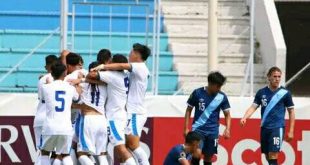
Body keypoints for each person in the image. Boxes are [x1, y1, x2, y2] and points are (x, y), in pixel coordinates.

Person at [91, 43, 151, 165]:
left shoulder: (140, 67)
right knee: (128, 146)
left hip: (136, 112)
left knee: (133, 145)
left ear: (138, 55)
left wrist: (103, 66)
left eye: (132, 52)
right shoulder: (132, 72)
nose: (129, 54)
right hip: (129, 112)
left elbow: (121, 65)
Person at [240, 66, 295, 165]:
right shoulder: (262, 93)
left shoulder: (285, 93)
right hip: (265, 128)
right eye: (275, 76)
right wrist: (245, 117)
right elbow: (253, 107)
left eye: (279, 77)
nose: (277, 79)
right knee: (267, 155)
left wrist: (291, 131)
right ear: (269, 77)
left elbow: (291, 111)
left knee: (273, 154)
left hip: (277, 128)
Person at [88, 54, 136, 165]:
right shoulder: (125, 75)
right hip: (122, 115)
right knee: (117, 151)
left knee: (120, 149)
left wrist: (103, 67)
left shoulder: (112, 76)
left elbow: (92, 74)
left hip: (114, 118)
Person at [184, 71, 231, 165]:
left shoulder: (222, 96)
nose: (219, 89)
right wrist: (186, 128)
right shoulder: (197, 93)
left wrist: (228, 128)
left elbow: (227, 115)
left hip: (213, 131)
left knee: (209, 157)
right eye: (218, 86)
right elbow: (189, 110)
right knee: (197, 153)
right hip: (198, 129)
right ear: (211, 84)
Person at [39, 61, 81, 165]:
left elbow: (44, 99)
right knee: (65, 154)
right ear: (65, 73)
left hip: (49, 126)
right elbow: (77, 98)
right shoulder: (70, 88)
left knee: (44, 153)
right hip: (65, 127)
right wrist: (78, 82)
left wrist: (48, 83)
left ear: (52, 73)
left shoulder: (46, 87)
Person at [72, 61, 109, 165]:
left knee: (81, 153)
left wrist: (78, 82)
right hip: (102, 119)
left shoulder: (83, 84)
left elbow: (76, 98)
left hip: (89, 119)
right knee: (102, 154)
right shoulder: (106, 85)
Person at [33, 54, 58, 165]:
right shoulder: (58, 80)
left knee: (43, 152)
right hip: (51, 119)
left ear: (46, 66)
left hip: (39, 118)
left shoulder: (41, 79)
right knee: (54, 152)